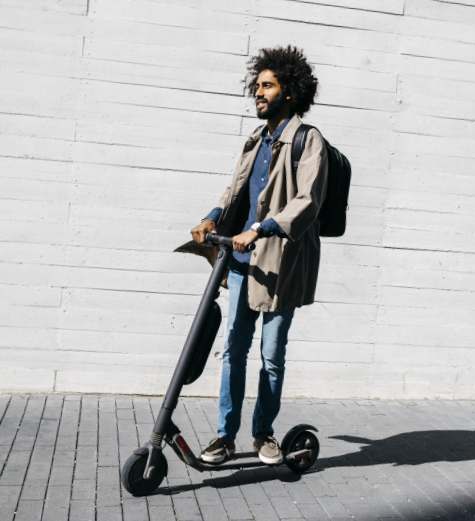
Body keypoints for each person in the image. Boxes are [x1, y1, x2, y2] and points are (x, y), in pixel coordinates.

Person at [189, 45, 328, 465]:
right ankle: (224, 437)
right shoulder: (256, 140)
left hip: (280, 265)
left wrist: (261, 229)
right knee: (233, 349)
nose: (258, 92)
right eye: (257, 86)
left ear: (290, 90)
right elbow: (235, 191)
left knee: (271, 356)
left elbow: (307, 201)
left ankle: (264, 435)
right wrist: (213, 217)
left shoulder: (308, 140)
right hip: (240, 261)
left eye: (267, 85)